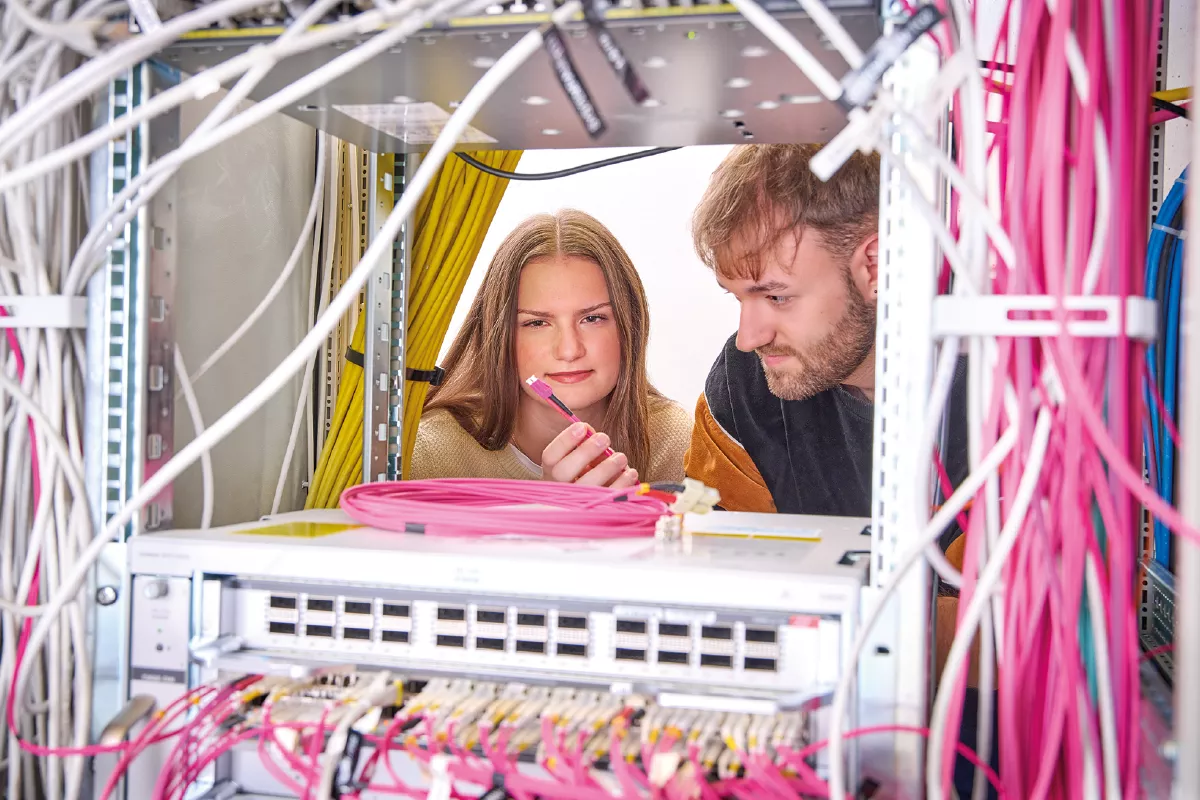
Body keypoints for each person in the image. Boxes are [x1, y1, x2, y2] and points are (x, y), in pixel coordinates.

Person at [685, 144, 988, 797]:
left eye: (774, 295)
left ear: (875, 264)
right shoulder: (743, 387)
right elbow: (722, 608)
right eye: (738, 297)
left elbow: (1002, 647)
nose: (749, 334)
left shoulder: (1000, 388)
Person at [411, 209, 692, 486]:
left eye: (592, 318)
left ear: (630, 325)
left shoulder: (680, 445)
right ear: (499, 337)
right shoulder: (428, 456)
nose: (569, 351)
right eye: (536, 323)